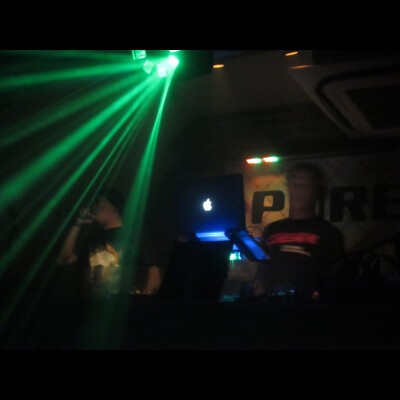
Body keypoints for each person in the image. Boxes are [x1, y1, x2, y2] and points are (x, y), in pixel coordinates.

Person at [251, 162, 345, 300]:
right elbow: (261, 271)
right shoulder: (272, 229)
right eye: (295, 184)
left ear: (317, 191)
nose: (298, 190)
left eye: (305, 185)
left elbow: (335, 281)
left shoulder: (330, 233)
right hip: (270, 306)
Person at [57, 188, 161, 298]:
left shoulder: (134, 236)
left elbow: (154, 273)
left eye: (98, 203)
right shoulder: (91, 240)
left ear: (115, 206)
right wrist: (78, 223)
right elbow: (64, 259)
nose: (93, 208)